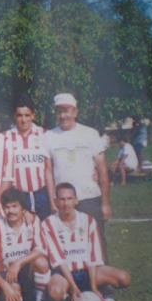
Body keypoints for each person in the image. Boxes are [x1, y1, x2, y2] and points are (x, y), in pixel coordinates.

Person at [42, 183, 131, 301]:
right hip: (64, 273)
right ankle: (69, 297)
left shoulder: (88, 220)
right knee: (55, 292)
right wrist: (73, 287)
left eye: (69, 199)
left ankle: (92, 290)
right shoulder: (48, 224)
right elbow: (59, 261)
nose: (65, 203)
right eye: (62, 199)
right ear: (55, 201)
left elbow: (93, 257)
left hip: (86, 271)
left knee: (124, 278)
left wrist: (94, 286)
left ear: (76, 200)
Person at [44, 93, 111, 247]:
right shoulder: (48, 136)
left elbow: (102, 171)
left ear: (75, 112)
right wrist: (52, 201)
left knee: (97, 246)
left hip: (89, 199)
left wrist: (105, 203)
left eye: (67, 110)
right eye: (59, 111)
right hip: (64, 202)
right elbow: (47, 172)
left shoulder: (90, 134)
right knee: (69, 247)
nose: (63, 115)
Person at [0, 188, 51, 301]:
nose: (10, 211)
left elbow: (41, 249)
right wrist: (5, 286)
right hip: (7, 274)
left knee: (41, 262)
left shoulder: (33, 221)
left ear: (23, 209)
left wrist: (18, 263)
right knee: (5, 294)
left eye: (14, 206)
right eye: (7, 207)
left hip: (26, 271)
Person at [5, 98, 55, 220]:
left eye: (27, 115)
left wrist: (53, 200)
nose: (23, 120)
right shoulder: (6, 137)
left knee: (45, 231)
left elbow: (49, 168)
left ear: (33, 115)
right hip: (19, 195)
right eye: (19, 115)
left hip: (42, 194)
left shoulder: (44, 134)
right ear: (14, 117)